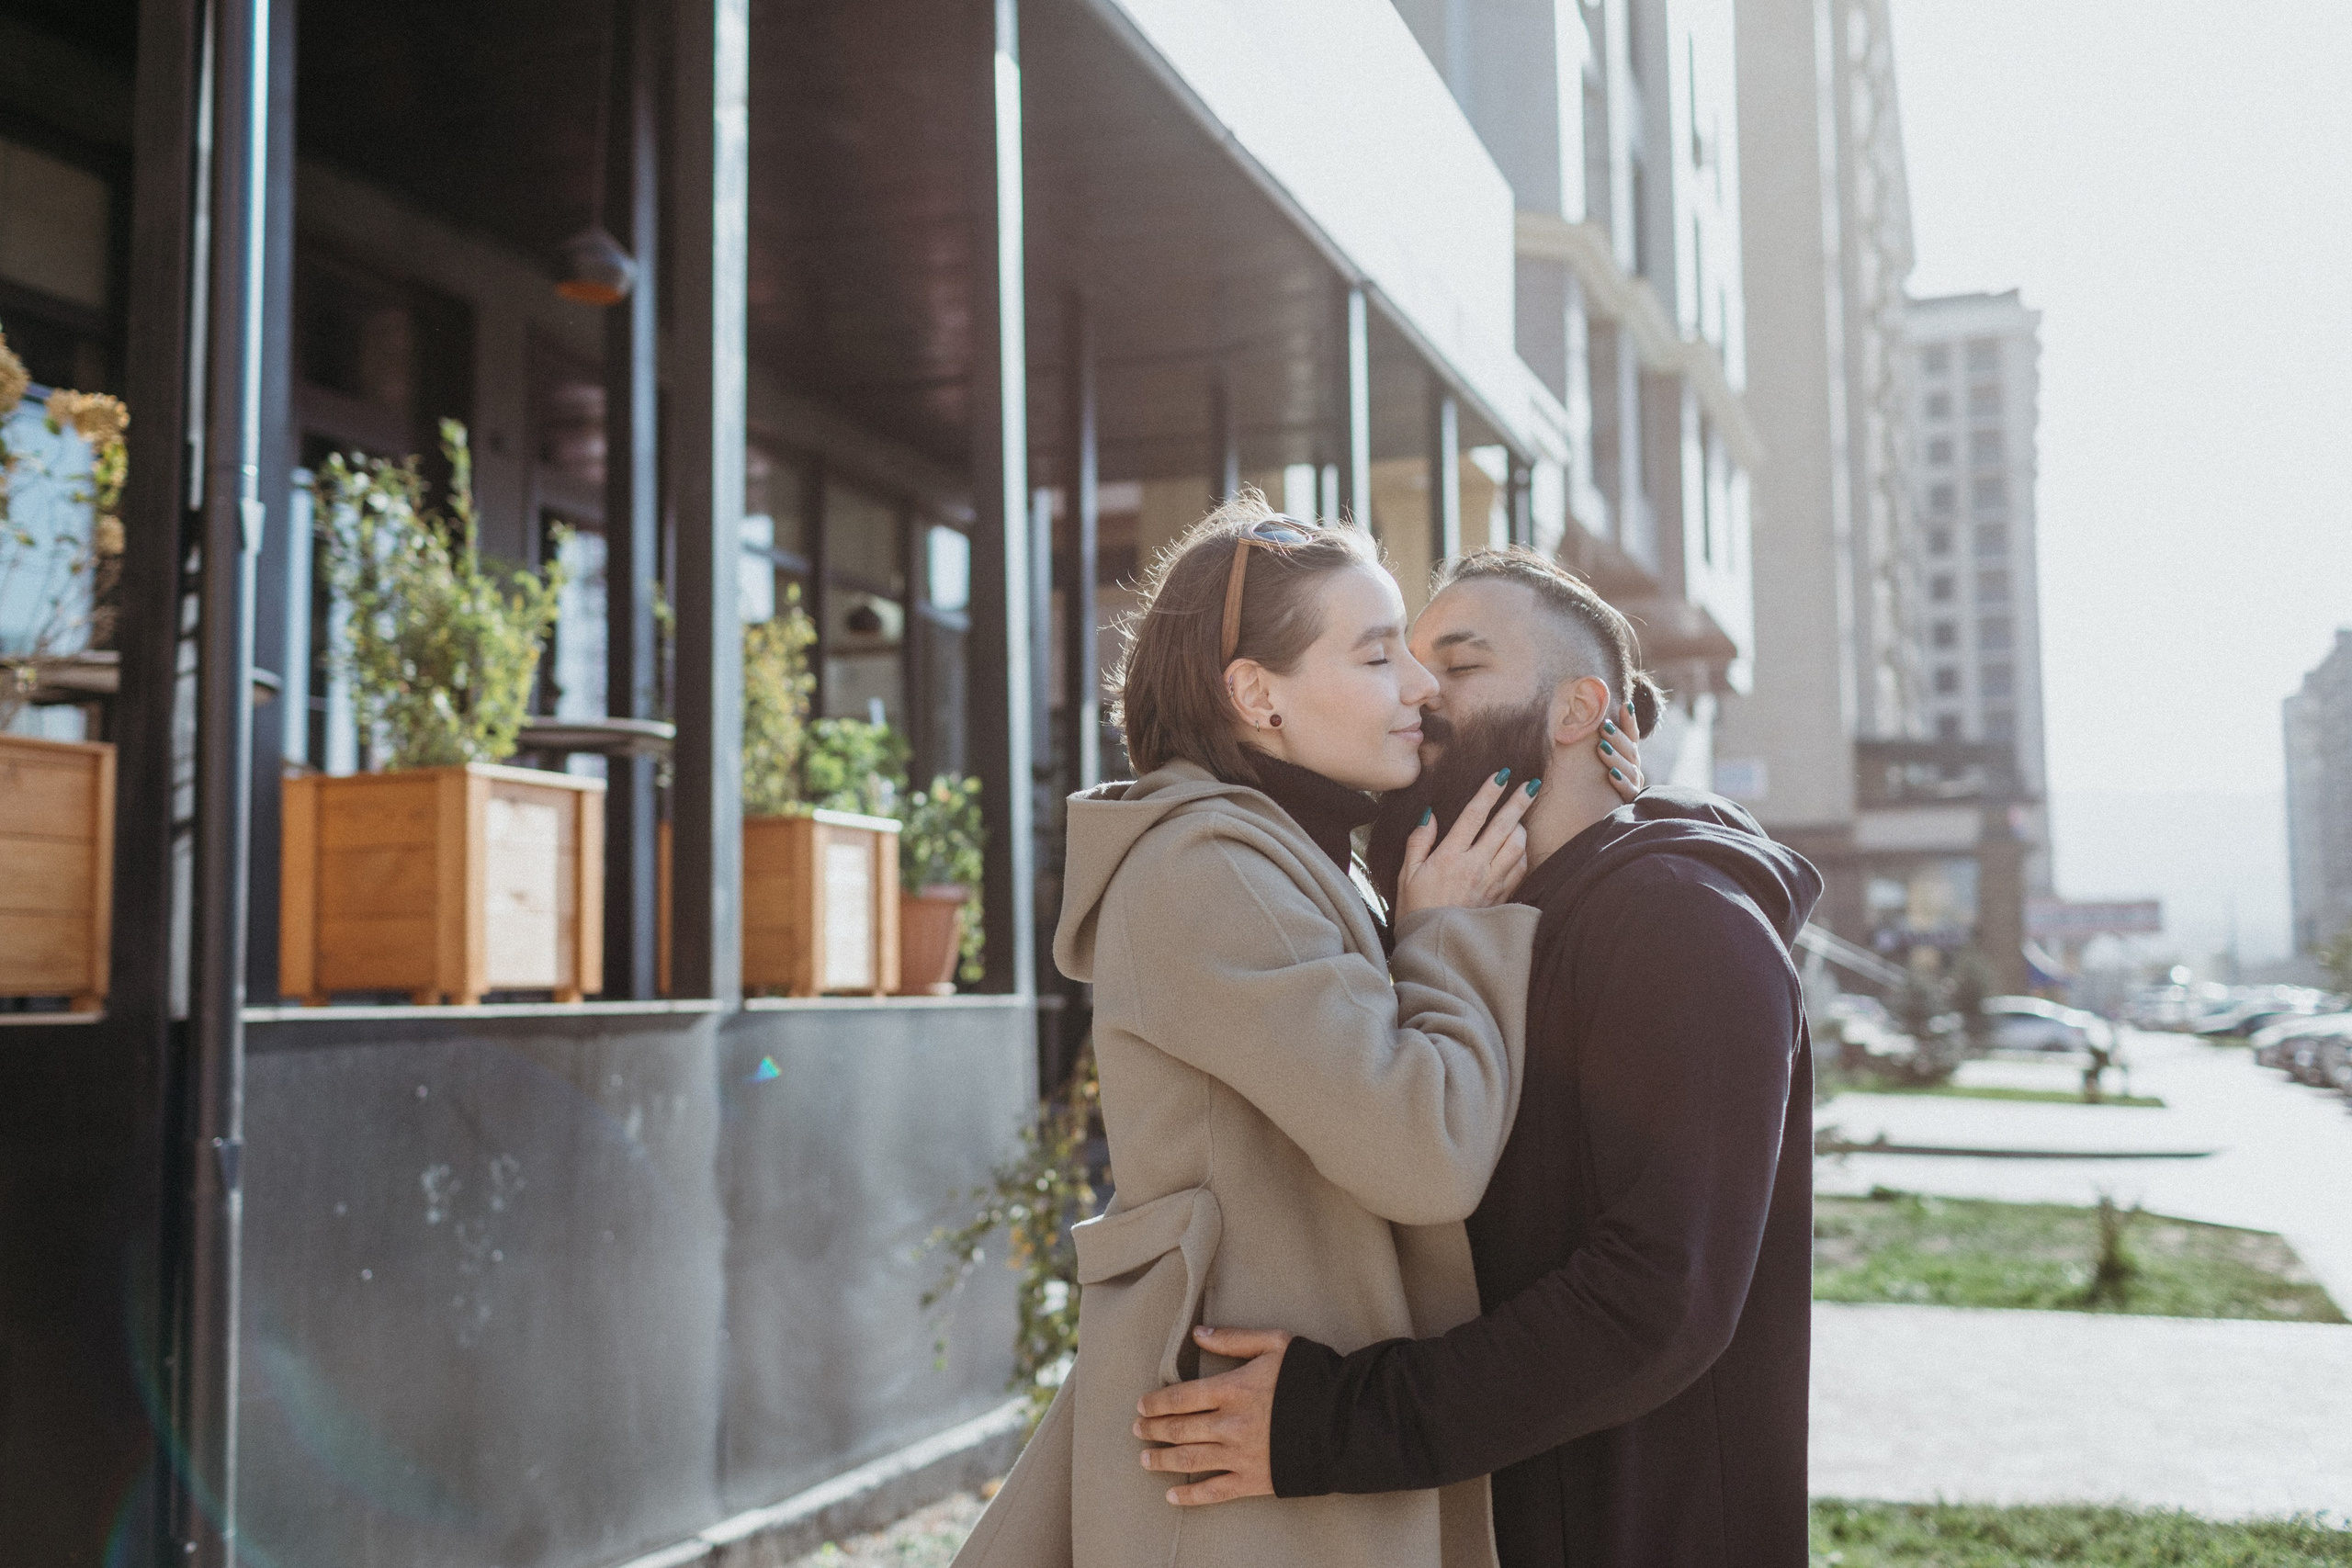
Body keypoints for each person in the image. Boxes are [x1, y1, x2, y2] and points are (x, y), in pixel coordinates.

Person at [949, 504, 1635, 1568]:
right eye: (1375, 655)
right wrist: (1450, 937)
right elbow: (1425, 1153)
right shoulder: (1212, 868)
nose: (1417, 686)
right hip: (1251, 1489)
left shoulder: (1296, 857)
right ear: (1254, 692)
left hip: (1287, 1449)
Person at [1130, 547, 1825, 1568]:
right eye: (1397, 665)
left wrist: (1330, 1423)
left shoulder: (1683, 921)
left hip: (1631, 1528)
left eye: (1455, 667)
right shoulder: (1476, 924)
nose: (1415, 696)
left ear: (1577, 712)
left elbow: (1658, 1299)